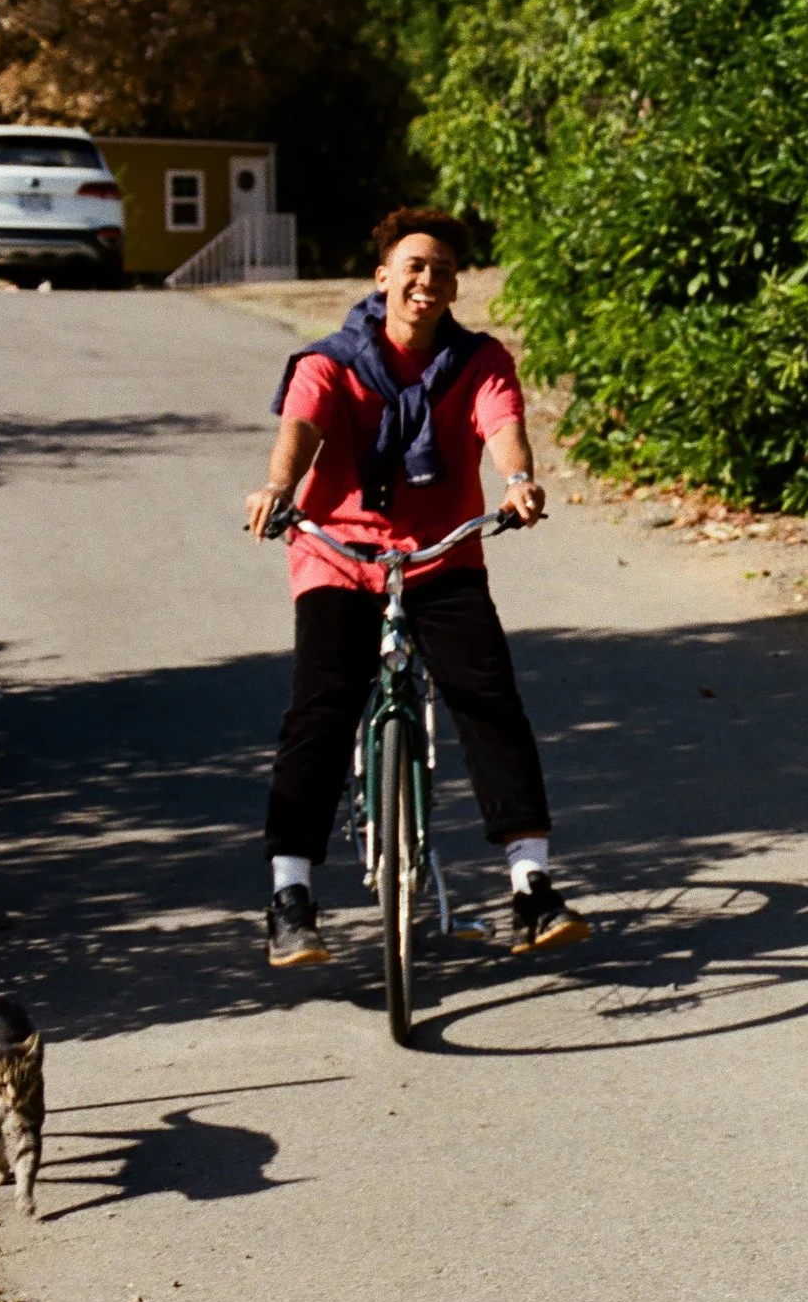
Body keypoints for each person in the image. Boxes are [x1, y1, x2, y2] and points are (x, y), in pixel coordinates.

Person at [243, 208, 588, 967]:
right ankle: (291, 895)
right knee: (321, 708)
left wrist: (521, 481)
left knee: (489, 699)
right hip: (338, 556)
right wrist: (278, 488)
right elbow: (300, 428)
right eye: (413, 265)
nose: (426, 279)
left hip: (441, 556)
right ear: (383, 277)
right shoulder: (327, 360)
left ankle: (531, 887)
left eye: (441, 269)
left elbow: (502, 425)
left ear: (455, 284)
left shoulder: (480, 360)